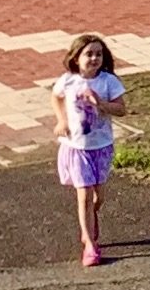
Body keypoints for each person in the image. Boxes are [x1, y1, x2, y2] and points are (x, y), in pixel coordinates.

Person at [52, 35, 124, 268]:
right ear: (76, 58)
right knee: (83, 195)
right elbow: (55, 96)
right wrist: (62, 120)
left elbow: (122, 109)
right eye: (88, 54)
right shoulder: (68, 81)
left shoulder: (108, 82)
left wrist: (100, 104)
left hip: (101, 147)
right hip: (77, 147)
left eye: (98, 54)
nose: (94, 58)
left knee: (97, 196)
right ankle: (90, 244)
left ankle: (91, 222)